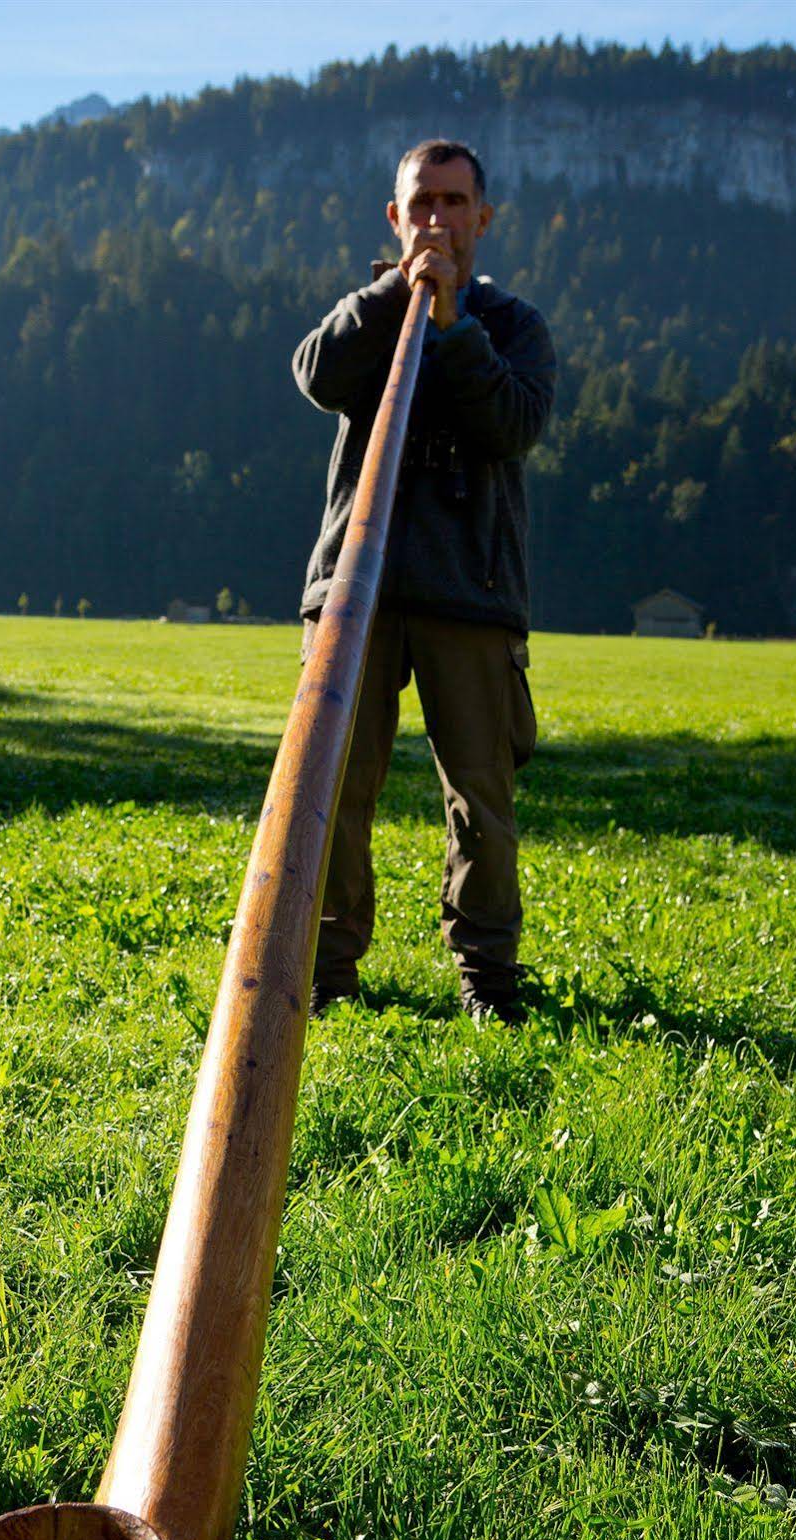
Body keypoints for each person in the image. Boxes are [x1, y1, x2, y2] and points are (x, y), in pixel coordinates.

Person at [293, 138, 556, 1022]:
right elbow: (315, 374)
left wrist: (453, 329)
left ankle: (488, 981)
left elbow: (513, 425)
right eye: (421, 203)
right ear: (395, 217)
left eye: (453, 202)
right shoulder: (367, 312)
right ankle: (325, 973)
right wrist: (393, 298)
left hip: (471, 596)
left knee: (481, 799)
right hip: (353, 593)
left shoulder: (512, 326)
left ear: (483, 218)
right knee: (333, 788)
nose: (437, 219)